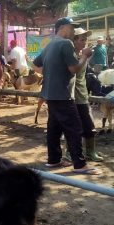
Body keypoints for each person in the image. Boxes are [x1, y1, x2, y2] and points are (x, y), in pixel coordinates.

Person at [32, 17, 102, 175]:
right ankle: (80, 164)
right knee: (75, 128)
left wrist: (51, 73)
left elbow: (36, 65)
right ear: (63, 27)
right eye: (71, 27)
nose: (72, 31)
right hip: (63, 95)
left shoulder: (50, 45)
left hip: (51, 94)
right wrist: (84, 56)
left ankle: (54, 160)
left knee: (54, 129)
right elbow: (74, 69)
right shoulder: (65, 43)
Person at [69, 27, 104, 162]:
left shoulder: (82, 55)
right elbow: (73, 72)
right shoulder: (71, 56)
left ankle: (90, 152)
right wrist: (84, 56)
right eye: (82, 39)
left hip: (82, 96)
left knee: (89, 125)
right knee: (73, 127)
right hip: (73, 97)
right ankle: (70, 152)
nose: (85, 42)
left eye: (86, 39)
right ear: (74, 41)